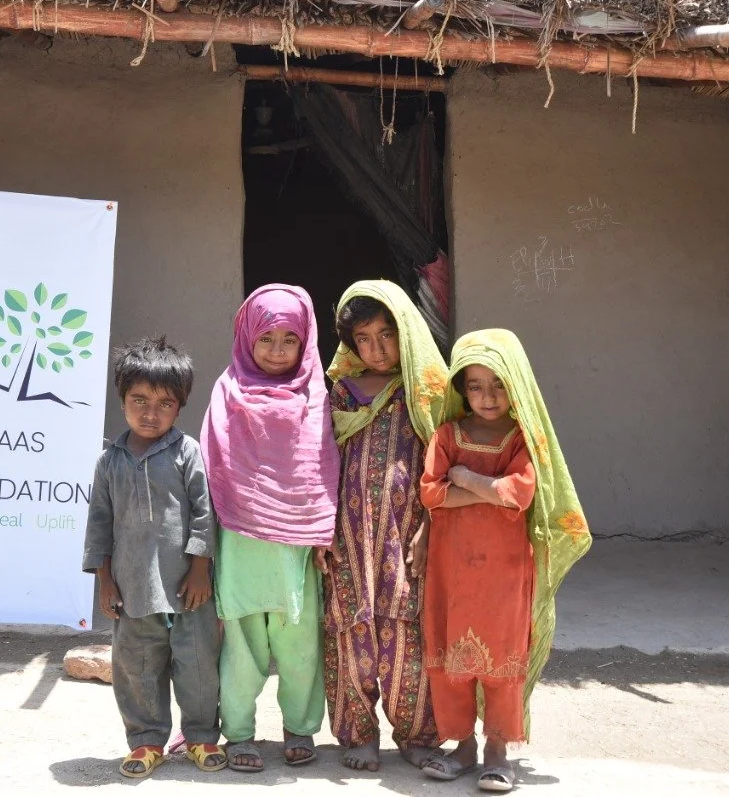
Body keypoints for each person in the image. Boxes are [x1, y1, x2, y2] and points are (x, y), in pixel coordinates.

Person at [418, 329, 592, 792]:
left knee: (501, 657)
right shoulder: (446, 434)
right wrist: (487, 489)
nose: (488, 396)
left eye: (498, 384)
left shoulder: (521, 440)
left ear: (516, 385)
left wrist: (463, 477)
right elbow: (431, 493)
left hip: (506, 570)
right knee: (449, 654)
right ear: (461, 389)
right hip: (452, 569)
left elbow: (519, 493)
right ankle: (461, 748)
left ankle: (497, 752)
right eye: (475, 386)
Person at [200, 284, 340, 773]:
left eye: (289, 340)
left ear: (305, 342)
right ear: (246, 337)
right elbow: (213, 468)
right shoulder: (227, 391)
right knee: (241, 644)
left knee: (299, 643)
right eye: (266, 338)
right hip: (240, 539)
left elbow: (322, 467)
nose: (278, 350)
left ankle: (300, 728)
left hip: (297, 544)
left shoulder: (315, 394)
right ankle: (239, 732)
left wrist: (322, 533)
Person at [318, 280, 454, 772]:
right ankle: (357, 734)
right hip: (347, 535)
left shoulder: (427, 393)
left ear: (406, 332)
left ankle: (418, 735)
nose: (376, 349)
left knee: (406, 632)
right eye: (363, 339)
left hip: (406, 531)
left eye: (386, 335)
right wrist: (319, 531)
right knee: (349, 630)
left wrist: (430, 528)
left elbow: (442, 465)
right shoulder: (338, 393)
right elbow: (319, 463)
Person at [81, 336, 226, 779]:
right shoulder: (109, 462)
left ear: (179, 407)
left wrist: (200, 568)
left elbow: (204, 512)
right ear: (122, 400)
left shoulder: (187, 452)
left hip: (188, 590)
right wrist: (105, 581)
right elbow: (99, 524)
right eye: (139, 400)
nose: (150, 412)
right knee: (136, 669)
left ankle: (200, 736)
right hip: (133, 589)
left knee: (198, 666)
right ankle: (146, 741)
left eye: (164, 403)